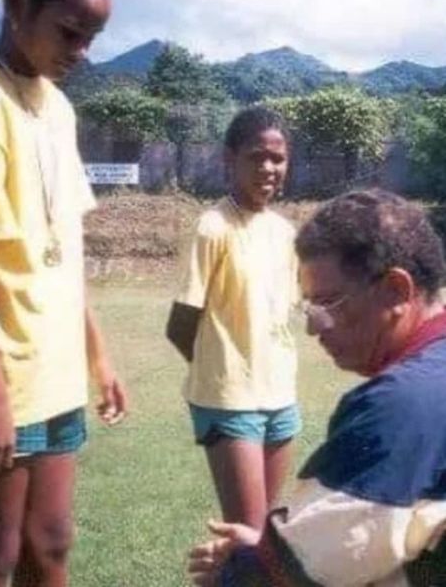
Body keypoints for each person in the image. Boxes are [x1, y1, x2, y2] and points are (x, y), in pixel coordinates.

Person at [0, 0, 127, 586]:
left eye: (92, 39)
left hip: (55, 374)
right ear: (17, 4)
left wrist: (97, 356)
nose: (81, 52)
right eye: (70, 32)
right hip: (2, 378)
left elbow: (63, 249)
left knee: (50, 545)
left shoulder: (58, 108)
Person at [189, 189, 446, 586]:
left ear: (397, 291)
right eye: (308, 307)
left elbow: (295, 577)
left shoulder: (399, 405)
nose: (313, 327)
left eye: (327, 303)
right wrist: (270, 546)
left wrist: (242, 568)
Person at [167, 106, 301, 529]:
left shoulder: (284, 232)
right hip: (228, 400)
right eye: (255, 156)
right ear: (229, 159)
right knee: (248, 532)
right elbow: (180, 324)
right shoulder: (212, 226)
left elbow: (288, 311)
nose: (267, 167)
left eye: (277, 158)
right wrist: (219, 366)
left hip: (281, 396)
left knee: (264, 541)